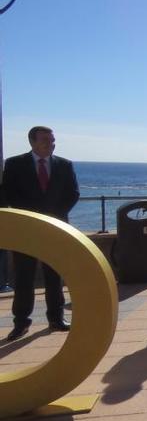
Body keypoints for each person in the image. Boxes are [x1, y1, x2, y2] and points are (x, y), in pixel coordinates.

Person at [2, 126, 79, 341]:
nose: (51, 144)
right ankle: (21, 323)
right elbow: (9, 193)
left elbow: (73, 194)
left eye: (53, 140)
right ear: (33, 142)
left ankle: (56, 318)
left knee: (54, 276)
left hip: (55, 228)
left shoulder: (64, 165)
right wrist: (35, 217)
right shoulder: (15, 164)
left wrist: (52, 216)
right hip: (26, 230)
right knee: (24, 277)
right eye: (46, 140)